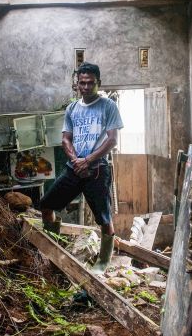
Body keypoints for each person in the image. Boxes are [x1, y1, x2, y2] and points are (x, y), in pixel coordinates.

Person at [39, 62, 123, 274]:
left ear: (98, 83)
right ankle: (53, 252)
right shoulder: (72, 108)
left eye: (90, 83)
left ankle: (103, 263)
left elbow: (112, 140)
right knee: (47, 206)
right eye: (82, 83)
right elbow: (66, 139)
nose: (85, 87)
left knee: (104, 218)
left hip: (97, 169)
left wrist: (89, 160)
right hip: (74, 167)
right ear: (77, 84)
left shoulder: (108, 106)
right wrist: (77, 160)